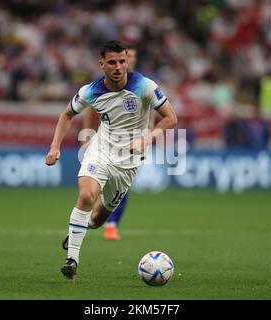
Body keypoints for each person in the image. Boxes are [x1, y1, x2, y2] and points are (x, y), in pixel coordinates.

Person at [45, 40, 177, 279]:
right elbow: (66, 114)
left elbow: (171, 118)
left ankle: (78, 229)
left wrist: (146, 140)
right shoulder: (90, 91)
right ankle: (72, 260)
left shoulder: (145, 86)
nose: (118, 67)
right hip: (101, 151)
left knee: (96, 220)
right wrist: (55, 147)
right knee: (86, 196)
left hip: (128, 163)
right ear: (102, 64)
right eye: (113, 62)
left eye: (122, 61)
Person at [80, 44, 154, 241]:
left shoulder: (140, 84)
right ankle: (91, 218)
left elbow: (152, 113)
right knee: (100, 184)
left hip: (134, 142)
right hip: (108, 143)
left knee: (122, 185)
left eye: (130, 58)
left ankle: (109, 223)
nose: (126, 62)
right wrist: (87, 133)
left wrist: (147, 138)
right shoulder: (104, 85)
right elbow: (90, 107)